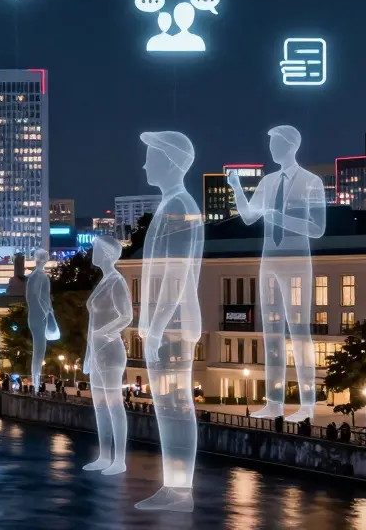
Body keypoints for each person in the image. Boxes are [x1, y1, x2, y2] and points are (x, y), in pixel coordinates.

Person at [228, 126, 327, 423]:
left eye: (275, 143)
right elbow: (248, 217)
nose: (271, 148)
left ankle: (307, 405)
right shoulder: (268, 182)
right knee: (271, 333)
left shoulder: (311, 182)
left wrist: (279, 216)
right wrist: (235, 188)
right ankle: (274, 402)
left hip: (297, 261)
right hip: (269, 260)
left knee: (299, 332)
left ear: (290, 145)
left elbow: (317, 228)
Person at [135, 131, 204, 513]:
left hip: (174, 326)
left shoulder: (179, 207)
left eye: (151, 157)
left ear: (172, 162)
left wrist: (156, 327)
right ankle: (174, 487)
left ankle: (179, 492)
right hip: (168, 324)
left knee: (176, 406)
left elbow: (175, 278)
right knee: (170, 406)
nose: (145, 164)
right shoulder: (172, 205)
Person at [83, 236, 133, 475]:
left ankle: (120, 460)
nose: (93, 252)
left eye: (96, 249)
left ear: (106, 253)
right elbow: (92, 321)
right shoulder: (104, 281)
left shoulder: (116, 281)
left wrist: (104, 334)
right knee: (100, 406)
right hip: (96, 351)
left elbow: (126, 316)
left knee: (114, 405)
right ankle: (104, 456)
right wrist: (88, 353)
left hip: (111, 350)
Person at [26, 249, 57, 390]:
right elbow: (38, 296)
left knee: (38, 349)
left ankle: (36, 381)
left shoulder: (33, 276)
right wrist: (48, 311)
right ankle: (36, 383)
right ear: (46, 260)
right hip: (40, 316)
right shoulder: (41, 276)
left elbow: (32, 296)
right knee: (40, 350)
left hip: (33, 316)